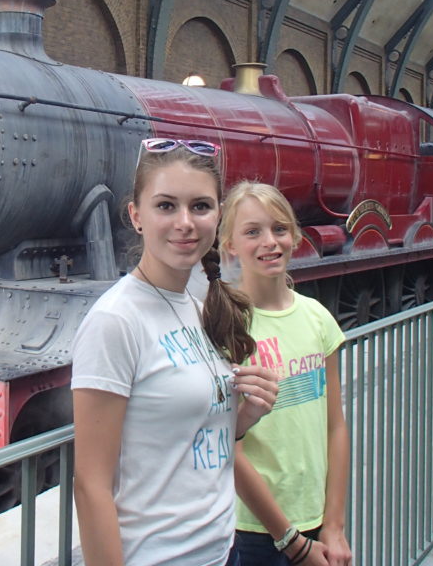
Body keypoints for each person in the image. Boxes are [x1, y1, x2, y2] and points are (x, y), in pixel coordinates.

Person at [72, 138, 280, 566]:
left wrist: (242, 418)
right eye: (166, 206)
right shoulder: (115, 321)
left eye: (200, 206)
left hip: (221, 549)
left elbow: (187, 441)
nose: (185, 222)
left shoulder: (194, 307)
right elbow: (90, 485)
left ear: (217, 215)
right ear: (137, 216)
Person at [219, 182, 351, 566]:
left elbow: (336, 426)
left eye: (279, 229)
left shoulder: (318, 319)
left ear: (294, 236)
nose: (269, 242)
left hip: (316, 520)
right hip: (255, 529)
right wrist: (290, 541)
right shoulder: (230, 329)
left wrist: (335, 524)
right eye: (252, 232)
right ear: (230, 244)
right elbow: (231, 446)